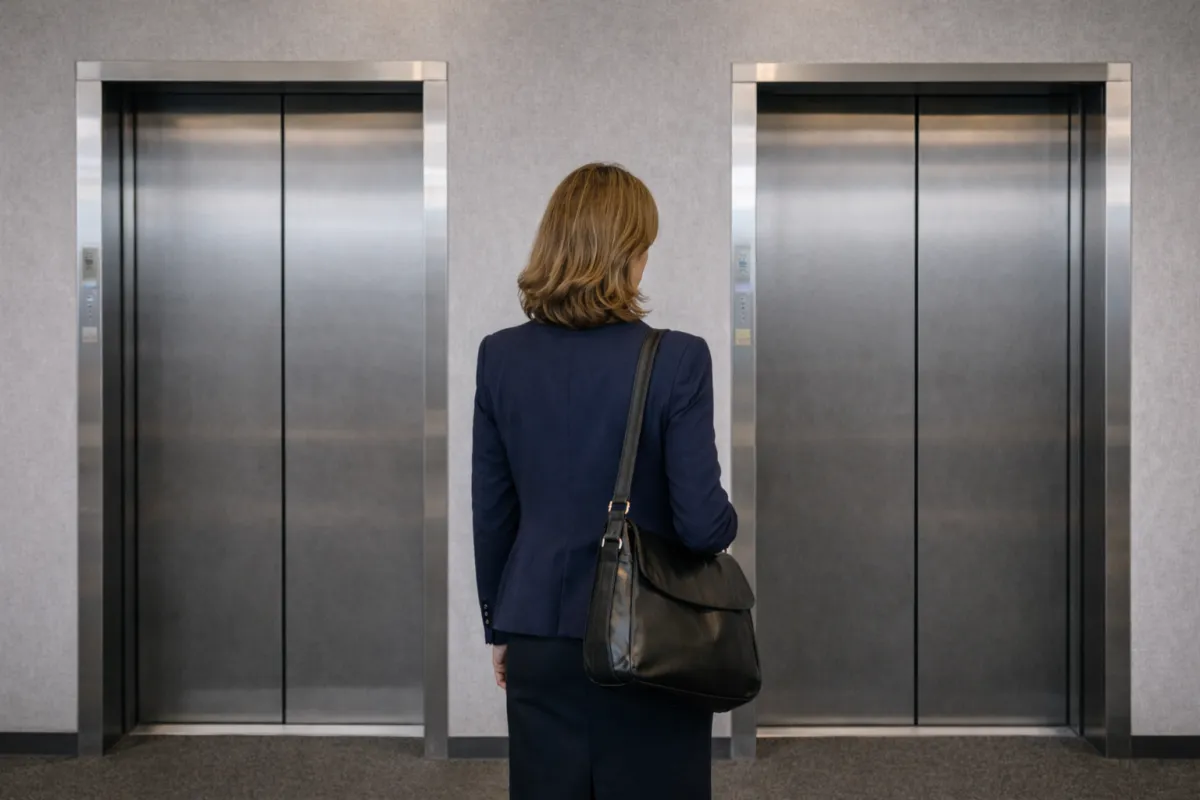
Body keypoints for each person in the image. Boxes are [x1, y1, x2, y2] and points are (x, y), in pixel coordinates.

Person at [472, 162, 737, 800]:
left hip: (537, 627)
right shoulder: (677, 358)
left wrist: (500, 627)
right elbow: (703, 525)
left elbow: (493, 512)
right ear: (628, 256)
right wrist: (728, 518)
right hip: (651, 636)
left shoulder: (500, 356)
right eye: (644, 245)